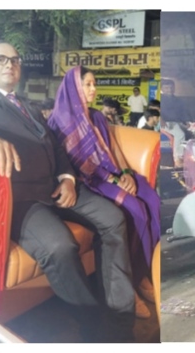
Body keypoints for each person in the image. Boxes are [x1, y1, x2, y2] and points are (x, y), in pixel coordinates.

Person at [0, 41, 136, 342]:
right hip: (21, 198)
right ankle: (93, 326)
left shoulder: (28, 107)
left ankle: (119, 311)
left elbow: (55, 147)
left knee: (113, 217)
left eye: (15, 59)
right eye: (0, 59)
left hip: (56, 188)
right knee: (59, 246)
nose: (9, 64)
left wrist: (67, 178)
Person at [47, 66, 161, 321]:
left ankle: (143, 273)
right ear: (73, 87)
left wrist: (126, 174)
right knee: (135, 208)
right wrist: (113, 178)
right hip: (90, 181)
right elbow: (73, 165)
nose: (93, 89)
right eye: (87, 84)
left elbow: (114, 150)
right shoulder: (59, 121)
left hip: (113, 173)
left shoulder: (97, 116)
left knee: (153, 200)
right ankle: (131, 282)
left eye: (94, 84)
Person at [160, 80, 190, 168]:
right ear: (162, 89)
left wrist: (187, 122)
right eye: (166, 88)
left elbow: (183, 112)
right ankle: (178, 159)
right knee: (180, 134)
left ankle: (189, 158)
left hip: (178, 122)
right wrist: (160, 119)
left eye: (171, 87)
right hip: (165, 123)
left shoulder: (178, 100)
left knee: (193, 131)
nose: (169, 90)